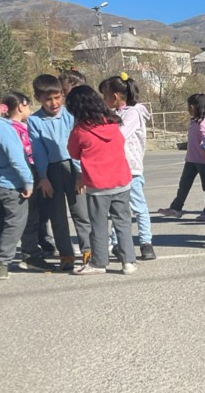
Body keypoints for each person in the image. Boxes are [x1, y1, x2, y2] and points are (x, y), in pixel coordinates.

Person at [65, 85, 135, 275]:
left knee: (98, 225)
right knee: (123, 222)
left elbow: (72, 152)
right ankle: (128, 261)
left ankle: (99, 262)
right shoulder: (113, 122)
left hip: (98, 185)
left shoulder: (81, 130)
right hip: (121, 180)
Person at [27, 74, 90, 271]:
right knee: (57, 215)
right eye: (48, 99)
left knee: (80, 211)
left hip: (74, 168)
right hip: (51, 171)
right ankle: (66, 254)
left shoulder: (71, 115)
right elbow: (38, 152)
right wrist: (43, 177)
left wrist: (81, 173)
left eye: (57, 97)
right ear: (39, 99)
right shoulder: (34, 121)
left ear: (62, 94)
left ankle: (88, 250)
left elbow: (80, 145)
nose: (54, 103)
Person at [99, 74, 155, 260]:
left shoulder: (133, 113)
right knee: (118, 209)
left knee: (139, 207)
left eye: (105, 95)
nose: (104, 100)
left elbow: (118, 136)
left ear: (114, 97)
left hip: (131, 169)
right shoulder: (115, 114)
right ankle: (117, 243)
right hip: (115, 169)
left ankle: (146, 243)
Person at [0, 87, 35, 279]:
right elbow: (16, 157)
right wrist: (28, 181)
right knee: (15, 222)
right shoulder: (3, 127)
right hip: (10, 183)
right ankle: (1, 262)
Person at [5, 91, 54, 267]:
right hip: (25, 176)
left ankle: (37, 245)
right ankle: (30, 252)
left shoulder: (21, 126)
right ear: (20, 106)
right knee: (29, 216)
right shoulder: (12, 129)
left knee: (38, 213)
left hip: (30, 174)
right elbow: (20, 155)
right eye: (27, 105)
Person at [160, 93, 205, 219]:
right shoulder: (194, 122)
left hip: (203, 160)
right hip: (191, 160)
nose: (188, 108)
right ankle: (176, 208)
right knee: (184, 185)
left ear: (194, 107)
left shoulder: (204, 123)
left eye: (189, 106)